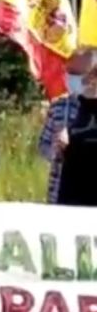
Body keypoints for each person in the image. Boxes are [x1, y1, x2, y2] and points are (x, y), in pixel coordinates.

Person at [40, 47, 97, 206]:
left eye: (75, 74)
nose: (70, 78)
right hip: (64, 197)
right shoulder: (59, 107)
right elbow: (43, 146)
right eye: (68, 72)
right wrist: (55, 148)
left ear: (93, 75)